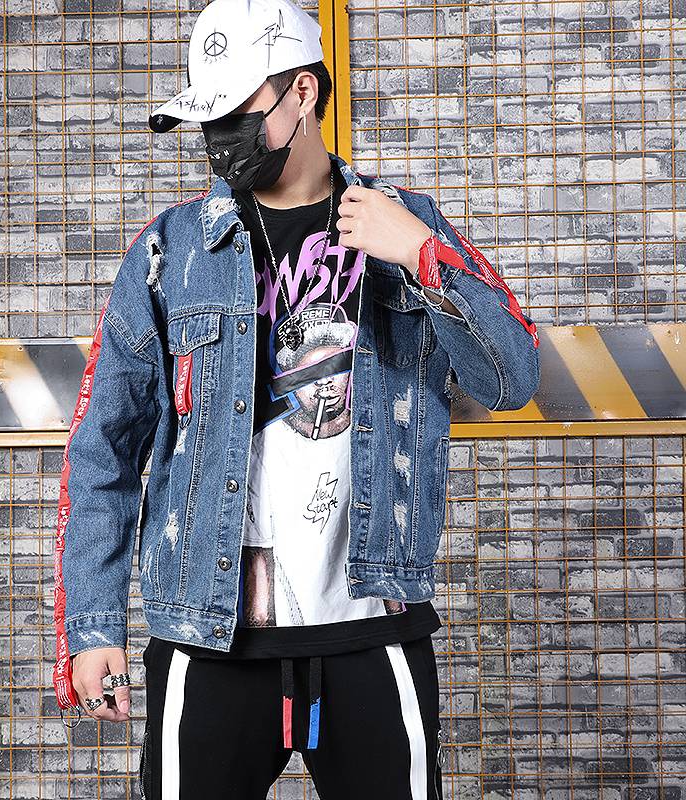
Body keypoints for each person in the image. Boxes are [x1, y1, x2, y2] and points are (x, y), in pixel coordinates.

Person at [52, 1, 540, 798]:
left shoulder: (408, 223)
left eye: (237, 113)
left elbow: (511, 380)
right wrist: (92, 625)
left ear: (303, 92)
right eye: (208, 119)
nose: (220, 138)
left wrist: (421, 256)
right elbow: (103, 448)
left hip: (372, 627)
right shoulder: (170, 251)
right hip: (209, 637)